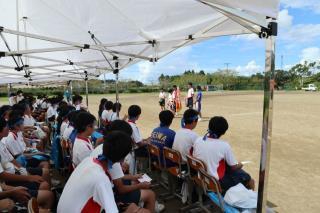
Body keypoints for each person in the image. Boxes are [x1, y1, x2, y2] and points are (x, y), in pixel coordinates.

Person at [58, 131, 150, 213]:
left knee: (130, 207)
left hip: (63, 209)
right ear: (122, 160)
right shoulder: (101, 179)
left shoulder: (89, 160)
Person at [91, 120, 163, 213]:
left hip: (105, 194)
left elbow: (115, 177)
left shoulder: (104, 147)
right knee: (150, 194)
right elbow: (121, 189)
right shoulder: (113, 155)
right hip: (111, 196)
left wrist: (134, 177)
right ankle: (148, 205)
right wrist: (140, 185)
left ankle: (145, 204)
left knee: (134, 181)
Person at [193, 116, 255, 191]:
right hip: (214, 182)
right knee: (249, 179)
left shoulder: (198, 140)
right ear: (223, 132)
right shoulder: (224, 145)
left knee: (230, 169)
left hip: (200, 176)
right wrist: (240, 164)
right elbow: (233, 167)